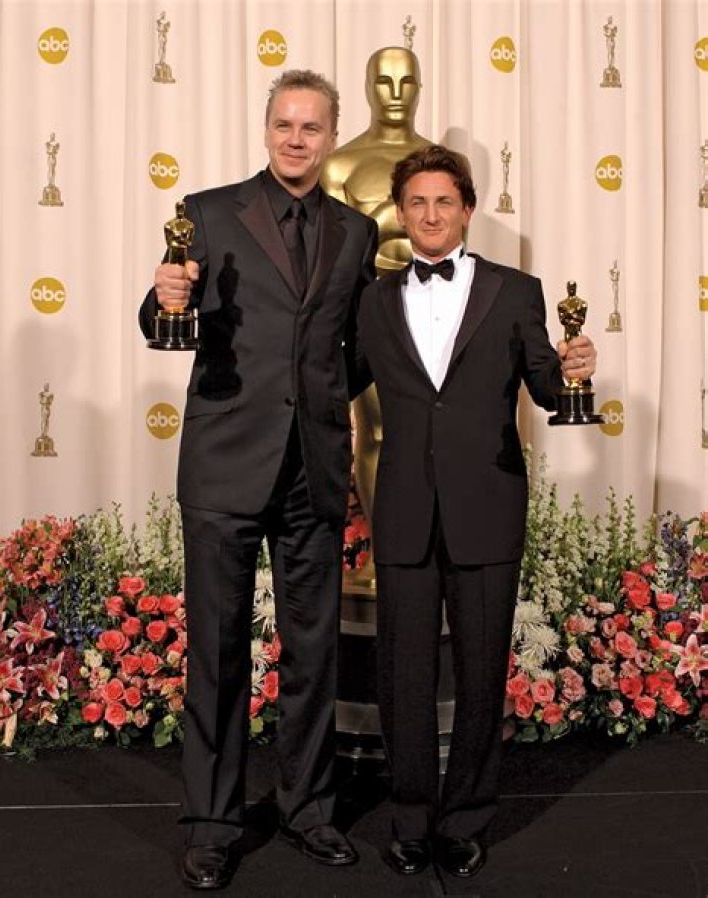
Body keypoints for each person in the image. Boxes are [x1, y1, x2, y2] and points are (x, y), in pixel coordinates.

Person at [139, 69, 377, 891]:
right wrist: (163, 296)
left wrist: (316, 405)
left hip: (313, 466)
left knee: (313, 653)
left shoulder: (355, 232)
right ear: (266, 128)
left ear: (332, 136)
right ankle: (212, 824)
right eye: (284, 124)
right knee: (217, 651)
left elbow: (356, 350)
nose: (296, 139)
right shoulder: (207, 214)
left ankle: (309, 809)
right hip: (224, 466)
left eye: (312, 127)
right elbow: (165, 315)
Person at [356, 144, 597, 879]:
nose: (430, 214)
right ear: (402, 213)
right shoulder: (371, 300)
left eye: (444, 202)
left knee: (482, 670)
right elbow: (329, 379)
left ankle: (465, 819)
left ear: (467, 209)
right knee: (403, 673)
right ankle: (409, 818)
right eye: (417, 202)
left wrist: (574, 371)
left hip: (488, 505)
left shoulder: (516, 291)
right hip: (402, 507)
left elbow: (547, 388)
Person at [322, 45, 431, 586]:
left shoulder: (440, 163)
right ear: (366, 88)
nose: (394, 94)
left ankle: (422, 556)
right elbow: (332, 255)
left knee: (431, 437)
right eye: (383, 82)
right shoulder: (339, 165)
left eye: (405, 82)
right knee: (377, 434)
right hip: (368, 318)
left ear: (420, 88)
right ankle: (384, 558)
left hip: (434, 318)